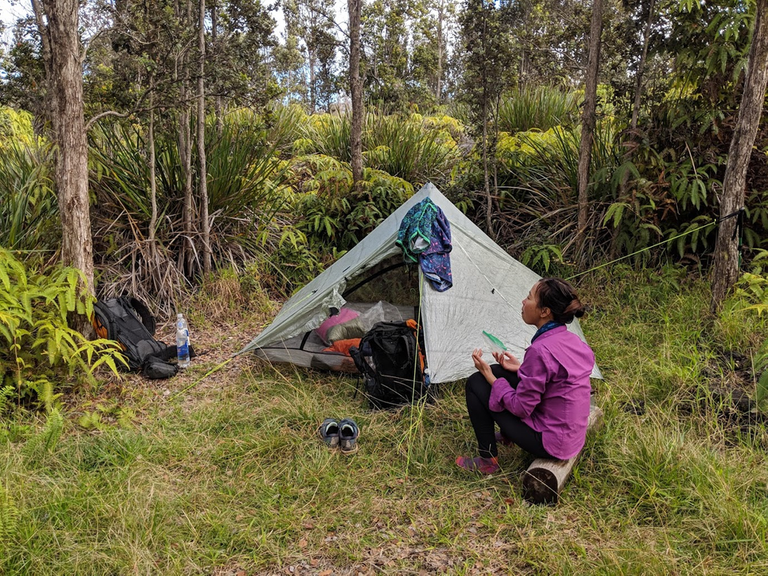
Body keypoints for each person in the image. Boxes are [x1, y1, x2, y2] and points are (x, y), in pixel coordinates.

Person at [456, 278, 596, 474]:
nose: (523, 301)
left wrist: (491, 379)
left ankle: (487, 461)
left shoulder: (539, 351)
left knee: (476, 382)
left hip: (551, 443)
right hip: (570, 434)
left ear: (544, 311)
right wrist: (521, 368)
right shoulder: (572, 340)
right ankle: (508, 435)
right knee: (500, 370)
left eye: (529, 297)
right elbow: (557, 381)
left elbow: (520, 407)